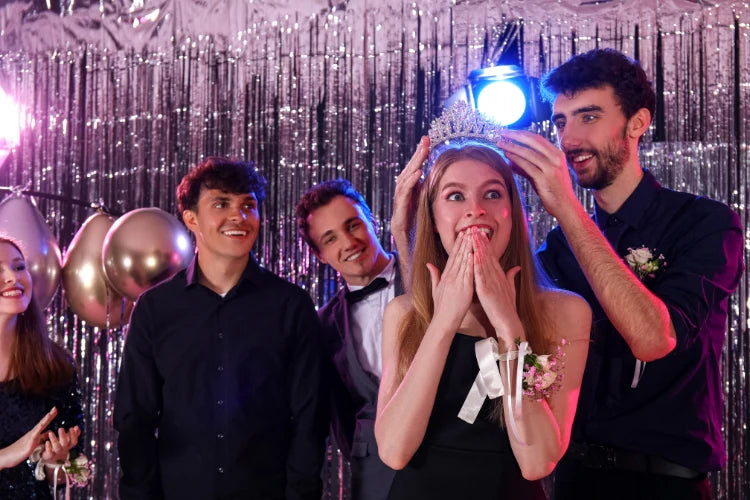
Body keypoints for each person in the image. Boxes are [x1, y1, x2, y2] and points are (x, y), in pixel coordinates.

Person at [497, 48, 744, 500]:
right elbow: (522, 351)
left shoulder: (705, 222)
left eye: (588, 116)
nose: (569, 139)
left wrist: (567, 208)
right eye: (560, 122)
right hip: (573, 479)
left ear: (637, 123)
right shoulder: (555, 250)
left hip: (666, 483)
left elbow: (655, 339)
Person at [375, 103, 591, 500]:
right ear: (434, 217)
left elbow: (538, 461)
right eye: (455, 196)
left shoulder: (565, 312)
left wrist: (509, 329)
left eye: (492, 193)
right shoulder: (404, 314)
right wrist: (443, 322)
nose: (475, 209)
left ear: (512, 212)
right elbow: (393, 450)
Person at [115, 157, 328, 500]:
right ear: (191, 218)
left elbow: (310, 420)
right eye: (221, 204)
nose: (238, 216)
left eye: (248, 205)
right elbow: (134, 419)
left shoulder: (291, 306)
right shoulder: (155, 309)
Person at [295, 178, 415, 500]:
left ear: (371, 221)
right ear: (320, 255)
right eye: (331, 238)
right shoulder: (323, 325)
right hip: (375, 474)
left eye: (353, 225)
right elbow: (338, 414)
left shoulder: (428, 279)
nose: (348, 242)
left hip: (451, 454)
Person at [0, 237, 86, 499]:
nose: (12, 278)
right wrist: (7, 455)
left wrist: (57, 463)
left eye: (18, 267)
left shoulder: (55, 365)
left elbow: (77, 473)